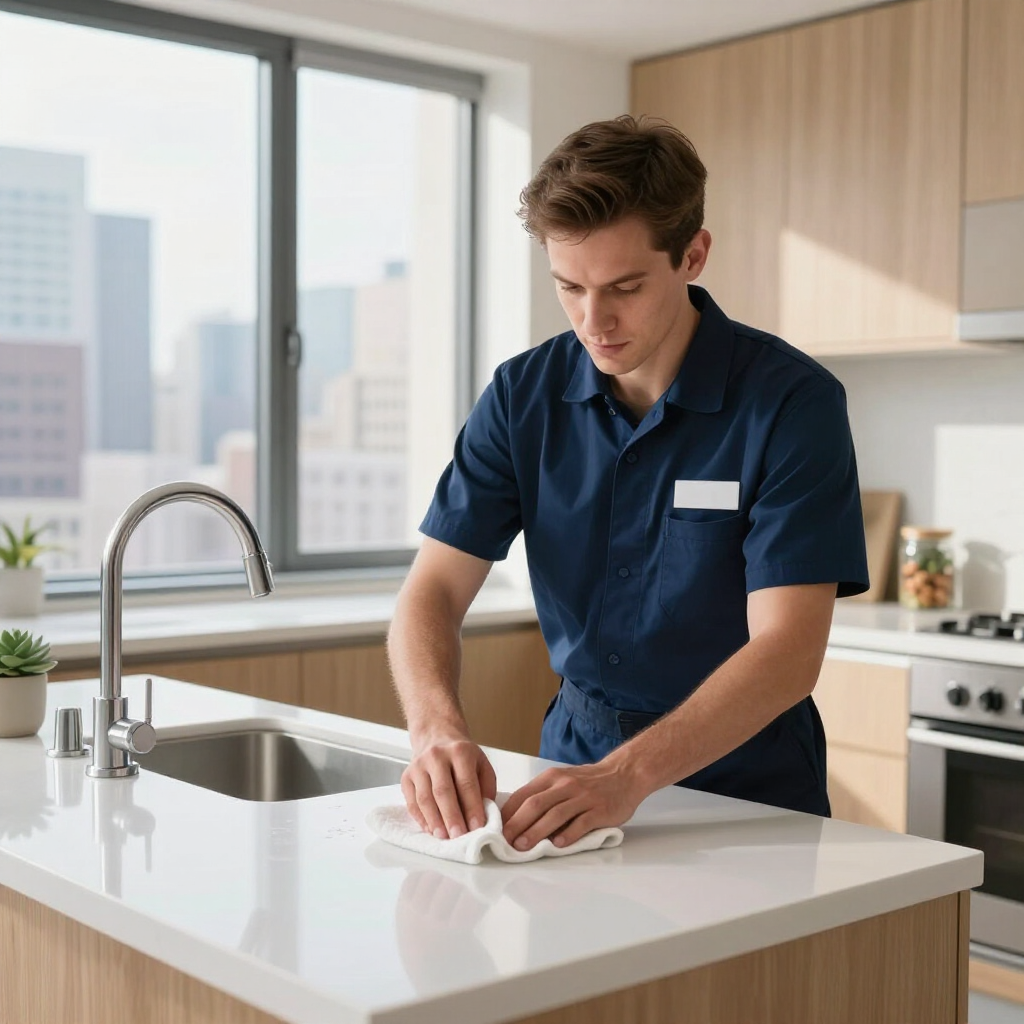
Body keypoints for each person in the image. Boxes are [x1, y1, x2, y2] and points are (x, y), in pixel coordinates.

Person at [387, 114, 869, 853]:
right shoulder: (523, 395)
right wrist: (434, 731)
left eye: (625, 286)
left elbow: (788, 653)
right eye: (568, 287)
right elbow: (434, 591)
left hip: (749, 792)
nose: (594, 320)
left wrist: (629, 777)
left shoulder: (791, 404)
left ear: (693, 256)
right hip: (573, 764)